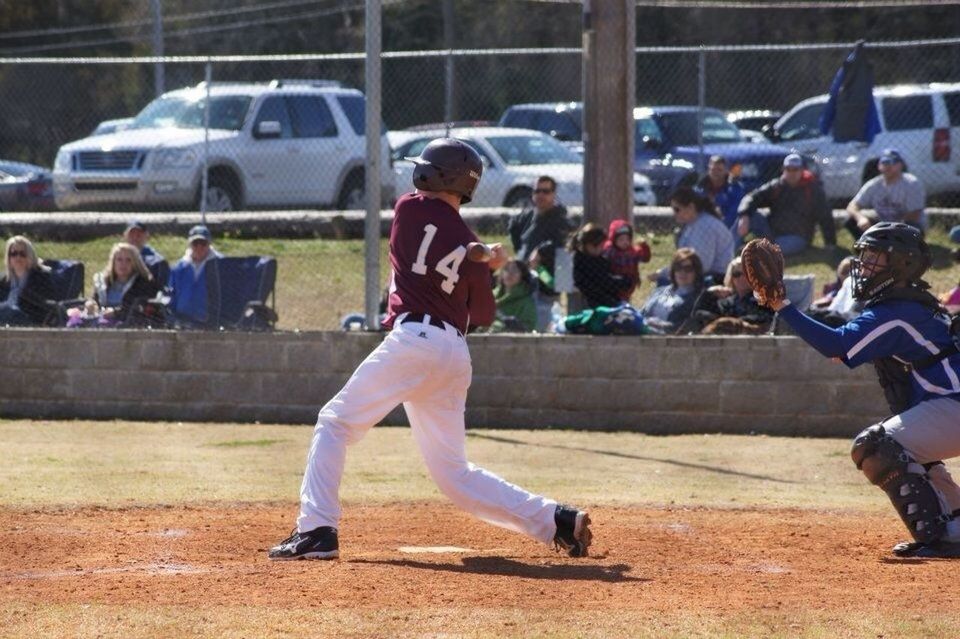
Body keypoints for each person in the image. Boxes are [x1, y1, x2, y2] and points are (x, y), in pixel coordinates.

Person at [268, 138, 592, 561]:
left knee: (334, 423)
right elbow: (482, 309)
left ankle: (316, 530)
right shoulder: (467, 238)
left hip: (414, 341)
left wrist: (477, 255)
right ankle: (557, 521)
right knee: (454, 476)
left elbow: (449, 245)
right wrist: (483, 256)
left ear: (438, 175)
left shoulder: (408, 206)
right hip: (453, 352)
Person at [760, 222, 960, 558]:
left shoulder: (896, 312)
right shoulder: (910, 305)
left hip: (954, 405)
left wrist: (783, 307)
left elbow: (837, 346)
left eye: (875, 257)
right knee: (908, 448)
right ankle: (954, 525)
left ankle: (938, 537)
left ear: (901, 263)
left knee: (877, 446)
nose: (865, 264)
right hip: (951, 405)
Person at [737, 153, 837, 256]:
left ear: (802, 170)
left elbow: (825, 215)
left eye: (795, 169)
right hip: (771, 232)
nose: (792, 173)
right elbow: (751, 197)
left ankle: (753, 251)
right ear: (783, 170)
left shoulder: (812, 189)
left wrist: (830, 243)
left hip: (798, 237)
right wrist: (744, 215)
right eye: (788, 169)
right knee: (748, 216)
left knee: (774, 251)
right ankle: (731, 250)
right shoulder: (776, 186)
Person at [507, 176, 574, 326]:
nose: (541, 195)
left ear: (554, 194)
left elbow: (563, 242)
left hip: (546, 277)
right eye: (537, 191)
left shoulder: (560, 219)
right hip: (525, 278)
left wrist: (541, 252)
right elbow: (514, 228)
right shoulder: (528, 217)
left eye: (546, 191)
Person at [649, 186, 734, 284]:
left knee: (664, 282)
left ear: (691, 207)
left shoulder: (705, 226)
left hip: (715, 280)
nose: (674, 214)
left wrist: (663, 273)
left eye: (677, 209)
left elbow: (700, 265)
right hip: (703, 276)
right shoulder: (694, 223)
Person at [68, 243, 161, 327]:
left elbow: (137, 308)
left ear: (135, 263)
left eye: (128, 260)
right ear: (113, 262)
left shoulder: (143, 283)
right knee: (74, 322)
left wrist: (115, 313)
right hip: (100, 318)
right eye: (119, 260)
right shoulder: (104, 282)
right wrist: (90, 305)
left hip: (124, 323)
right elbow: (95, 302)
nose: (123, 264)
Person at [845, 148, 926, 239]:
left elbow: (914, 215)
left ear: (901, 165)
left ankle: (907, 250)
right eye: (885, 162)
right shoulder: (874, 184)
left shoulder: (912, 183)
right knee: (851, 220)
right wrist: (861, 218)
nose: (888, 166)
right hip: (883, 225)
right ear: (879, 165)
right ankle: (867, 249)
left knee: (910, 227)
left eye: (893, 162)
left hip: (904, 225)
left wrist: (890, 229)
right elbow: (852, 206)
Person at [693, 257, 774, 334]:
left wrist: (731, 322)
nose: (742, 277)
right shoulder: (725, 302)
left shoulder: (764, 299)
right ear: (731, 277)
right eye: (736, 274)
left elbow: (766, 319)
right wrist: (708, 293)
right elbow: (697, 315)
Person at [640, 248, 704, 334]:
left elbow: (683, 327)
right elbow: (641, 315)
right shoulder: (660, 291)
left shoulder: (698, 298)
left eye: (688, 269)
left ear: (696, 272)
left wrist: (656, 324)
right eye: (678, 268)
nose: (682, 272)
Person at [167, 225, 222, 327]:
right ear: (189, 244)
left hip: (212, 323)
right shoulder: (179, 268)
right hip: (183, 322)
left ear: (209, 243)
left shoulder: (220, 265)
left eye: (203, 243)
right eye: (195, 243)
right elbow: (172, 295)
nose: (199, 247)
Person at [570, 223, 631, 309]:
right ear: (590, 246)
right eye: (601, 246)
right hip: (596, 306)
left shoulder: (596, 259)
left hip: (604, 301)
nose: (603, 248)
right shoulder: (585, 263)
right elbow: (604, 282)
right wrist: (624, 281)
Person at [0, 235, 54, 327]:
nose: (18, 257)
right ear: (8, 258)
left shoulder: (41, 277)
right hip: (5, 320)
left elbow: (44, 306)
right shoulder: (3, 280)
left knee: (8, 311)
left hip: (30, 320)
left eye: (22, 254)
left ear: (30, 256)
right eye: (13, 254)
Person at [603, 219, 651, 302]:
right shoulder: (610, 250)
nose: (625, 242)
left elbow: (645, 258)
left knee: (625, 303)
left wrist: (644, 247)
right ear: (614, 240)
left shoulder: (632, 251)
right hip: (613, 286)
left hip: (628, 286)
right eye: (621, 240)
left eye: (627, 239)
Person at [697, 155, 746, 230]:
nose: (715, 173)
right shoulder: (701, 187)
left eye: (719, 170)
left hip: (727, 226)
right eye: (713, 169)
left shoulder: (735, 188)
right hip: (703, 224)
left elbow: (733, 214)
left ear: (726, 171)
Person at [488, 259, 537, 333]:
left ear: (522, 276)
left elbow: (529, 328)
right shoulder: (490, 297)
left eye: (515, 270)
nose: (510, 273)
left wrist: (518, 327)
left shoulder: (526, 302)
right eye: (506, 269)